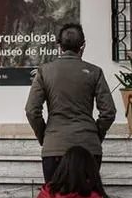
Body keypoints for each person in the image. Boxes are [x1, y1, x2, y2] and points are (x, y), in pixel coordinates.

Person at [26, 23, 117, 183]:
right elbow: (108, 112)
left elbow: (32, 111)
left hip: (54, 146)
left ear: (59, 46)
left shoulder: (44, 71)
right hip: (88, 146)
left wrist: (45, 136)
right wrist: (95, 134)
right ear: (83, 45)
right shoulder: (95, 72)